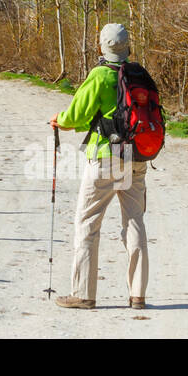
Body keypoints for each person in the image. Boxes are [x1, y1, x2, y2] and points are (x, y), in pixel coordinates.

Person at [48, 23, 149, 310]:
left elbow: (77, 116)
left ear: (102, 46)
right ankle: (138, 295)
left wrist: (59, 119)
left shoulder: (100, 75)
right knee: (134, 222)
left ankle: (84, 294)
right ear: (127, 46)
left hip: (106, 158)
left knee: (88, 223)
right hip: (137, 158)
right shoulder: (138, 74)